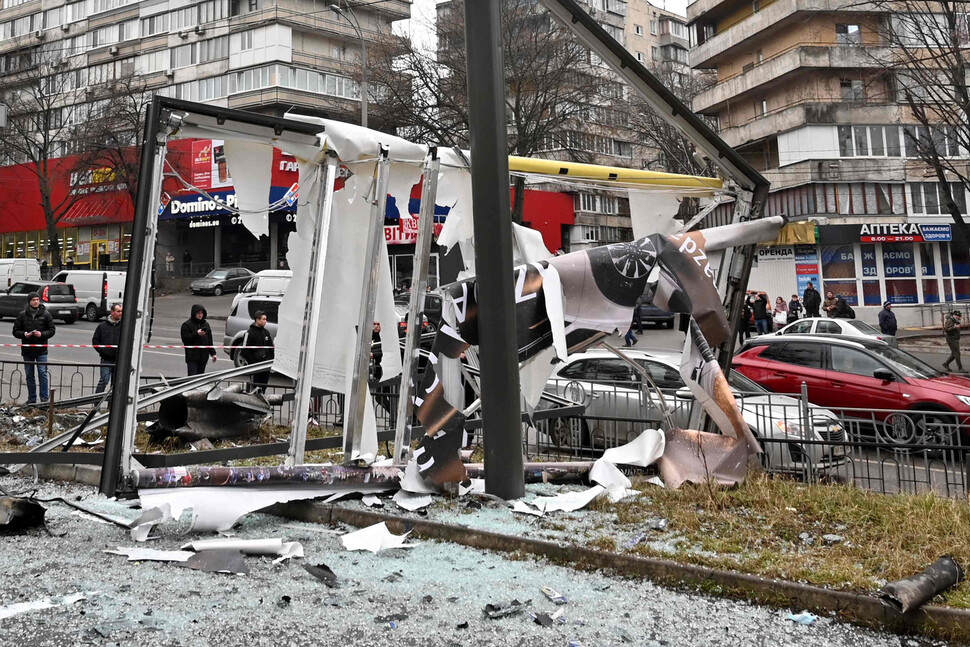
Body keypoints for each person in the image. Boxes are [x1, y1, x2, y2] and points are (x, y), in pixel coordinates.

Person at [12, 292, 55, 405]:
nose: (36, 301)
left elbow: (52, 330)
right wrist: (24, 334)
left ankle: (44, 399)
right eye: (33, 300)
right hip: (27, 350)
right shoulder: (22, 315)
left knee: (42, 373)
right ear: (29, 302)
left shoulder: (46, 314)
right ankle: (32, 399)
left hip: (41, 350)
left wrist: (42, 334)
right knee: (29, 375)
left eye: (37, 299)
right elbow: (15, 331)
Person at [92, 303, 123, 393]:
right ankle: (96, 401)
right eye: (118, 311)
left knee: (116, 383)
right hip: (106, 359)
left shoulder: (123, 326)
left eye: (121, 311)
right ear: (112, 312)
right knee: (104, 380)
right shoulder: (102, 326)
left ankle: (112, 405)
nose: (120, 313)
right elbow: (95, 341)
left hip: (119, 359)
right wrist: (103, 351)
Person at [240, 310, 274, 391]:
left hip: (265, 367)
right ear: (257, 320)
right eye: (263, 319)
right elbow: (244, 351)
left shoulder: (266, 332)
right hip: (255, 368)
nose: (265, 321)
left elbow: (271, 348)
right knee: (254, 389)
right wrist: (254, 362)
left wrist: (270, 360)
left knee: (263, 388)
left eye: (266, 319)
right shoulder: (249, 333)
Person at [180, 304, 217, 376]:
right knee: (192, 378)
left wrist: (213, 354)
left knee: (200, 379)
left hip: (203, 357)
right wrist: (196, 334)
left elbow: (209, 340)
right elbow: (185, 339)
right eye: (198, 313)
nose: (200, 315)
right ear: (194, 313)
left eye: (201, 313)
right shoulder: (187, 325)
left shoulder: (205, 324)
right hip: (192, 357)